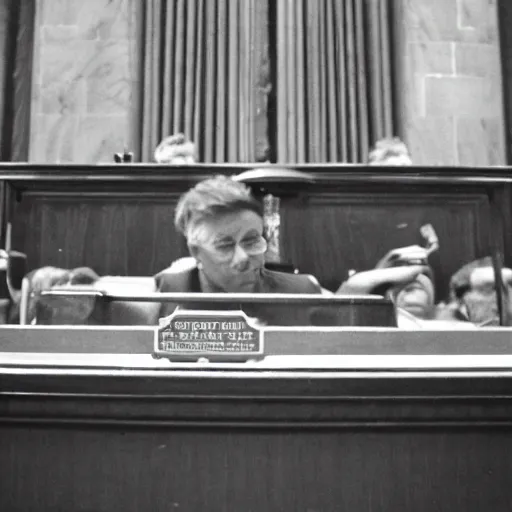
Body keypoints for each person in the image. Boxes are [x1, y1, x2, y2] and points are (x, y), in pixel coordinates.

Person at [155, 175, 323, 325]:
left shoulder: (302, 294)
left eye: (251, 241)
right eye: (224, 246)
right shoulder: (165, 294)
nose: (243, 258)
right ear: (196, 252)